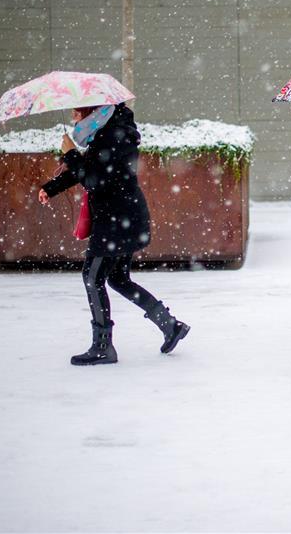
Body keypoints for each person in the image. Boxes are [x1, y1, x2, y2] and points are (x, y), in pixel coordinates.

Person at [38, 103, 189, 365]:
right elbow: (92, 169)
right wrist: (52, 187)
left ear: (92, 110)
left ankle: (102, 346)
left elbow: (94, 179)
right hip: (124, 217)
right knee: (118, 278)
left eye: (77, 110)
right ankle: (170, 326)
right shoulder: (110, 130)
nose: (73, 115)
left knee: (92, 276)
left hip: (116, 220)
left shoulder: (112, 135)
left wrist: (71, 154)